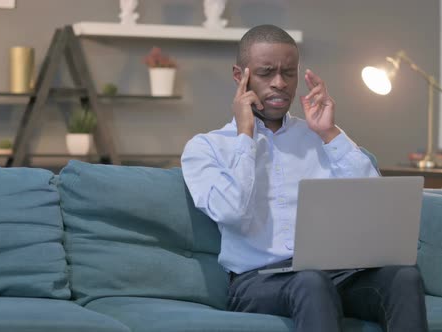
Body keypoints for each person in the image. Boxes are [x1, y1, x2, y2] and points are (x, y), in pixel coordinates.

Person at [181, 24, 428, 332]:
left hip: (333, 274)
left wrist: (330, 133)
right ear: (239, 76)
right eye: (266, 72)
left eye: (289, 73)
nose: (279, 83)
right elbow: (231, 211)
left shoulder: (317, 136)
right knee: (311, 282)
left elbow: (374, 202)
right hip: (258, 281)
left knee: (404, 276)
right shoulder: (206, 147)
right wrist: (245, 135)